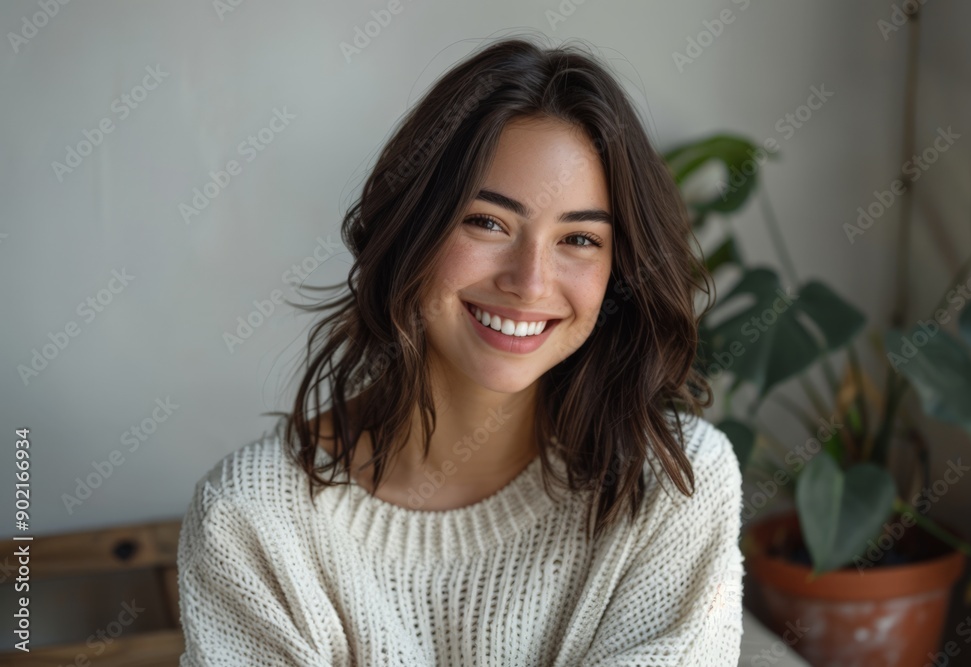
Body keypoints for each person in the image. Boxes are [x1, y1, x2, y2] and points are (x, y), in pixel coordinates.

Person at [176, 35, 744, 666]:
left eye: (579, 239)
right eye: (488, 223)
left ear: (621, 269)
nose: (529, 282)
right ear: (412, 229)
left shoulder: (669, 482)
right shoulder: (251, 520)